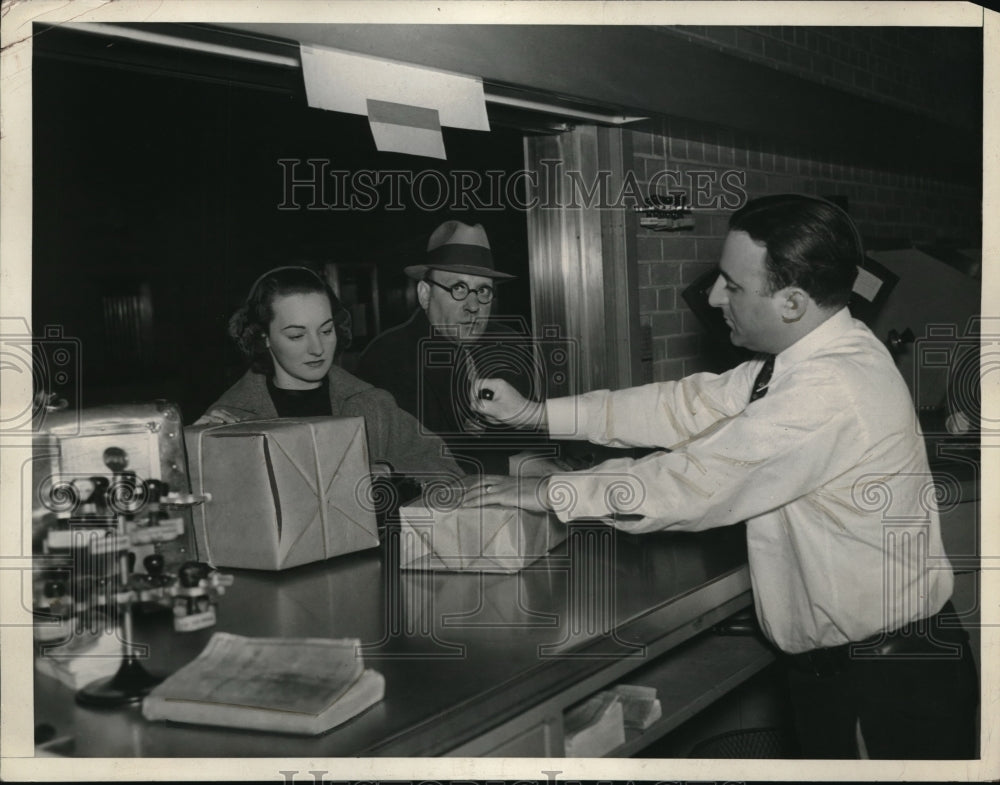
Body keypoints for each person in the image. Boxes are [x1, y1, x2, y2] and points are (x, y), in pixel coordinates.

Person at [462, 195, 978, 759]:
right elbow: (682, 405)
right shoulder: (797, 360)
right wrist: (537, 413)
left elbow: (689, 483)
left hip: (882, 686)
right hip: (850, 668)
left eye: (732, 285)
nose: (712, 297)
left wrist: (547, 490)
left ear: (792, 302)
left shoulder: (831, 389)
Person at [196, 266, 462, 482]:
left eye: (326, 331)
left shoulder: (373, 404)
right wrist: (195, 453)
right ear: (263, 337)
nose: (317, 348)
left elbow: (448, 473)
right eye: (297, 335)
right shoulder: (232, 417)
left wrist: (391, 474)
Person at [355, 220, 541, 474]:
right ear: (424, 294)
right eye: (458, 288)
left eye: (483, 290)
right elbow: (404, 459)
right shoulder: (387, 358)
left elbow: (532, 437)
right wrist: (511, 466)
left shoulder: (509, 343)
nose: (473, 306)